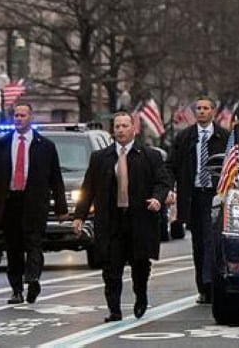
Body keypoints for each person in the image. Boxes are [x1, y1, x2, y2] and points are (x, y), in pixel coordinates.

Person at [72, 112, 170, 322]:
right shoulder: (100, 158)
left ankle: (140, 296)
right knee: (110, 266)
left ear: (133, 128)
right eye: (117, 126)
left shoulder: (149, 156)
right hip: (110, 220)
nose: (121, 130)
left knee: (140, 264)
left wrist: (157, 199)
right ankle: (114, 309)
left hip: (140, 219)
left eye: (125, 126)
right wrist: (79, 216)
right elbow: (88, 188)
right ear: (113, 130)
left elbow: (162, 182)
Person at [0, 103, 68, 304]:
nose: (18, 118)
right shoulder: (1, 145)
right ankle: (16, 290)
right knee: (14, 248)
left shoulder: (46, 146)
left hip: (34, 203)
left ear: (31, 117)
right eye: (16, 115)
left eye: (22, 115)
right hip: (9, 203)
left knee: (34, 244)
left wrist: (61, 209)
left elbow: (56, 179)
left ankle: (33, 279)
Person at [167, 96, 230, 304]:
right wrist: (169, 190)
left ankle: (213, 283)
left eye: (205, 108)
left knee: (213, 240)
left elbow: (234, 167)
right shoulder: (185, 137)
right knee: (199, 243)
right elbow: (171, 166)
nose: (201, 111)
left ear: (214, 111)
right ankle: (203, 287)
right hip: (193, 195)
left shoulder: (224, 137)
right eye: (198, 108)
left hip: (215, 196)